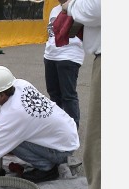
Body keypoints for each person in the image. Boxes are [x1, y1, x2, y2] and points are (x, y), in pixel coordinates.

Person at [62, 0, 101, 189]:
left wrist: (70, 5)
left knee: (99, 152)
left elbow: (97, 8)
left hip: (79, 58)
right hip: (56, 58)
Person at [44, 0, 85, 129]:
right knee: (54, 94)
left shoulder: (78, 8)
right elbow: (51, 34)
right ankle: (57, 125)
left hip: (69, 55)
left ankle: (72, 128)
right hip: (50, 55)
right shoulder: (54, 10)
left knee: (68, 95)